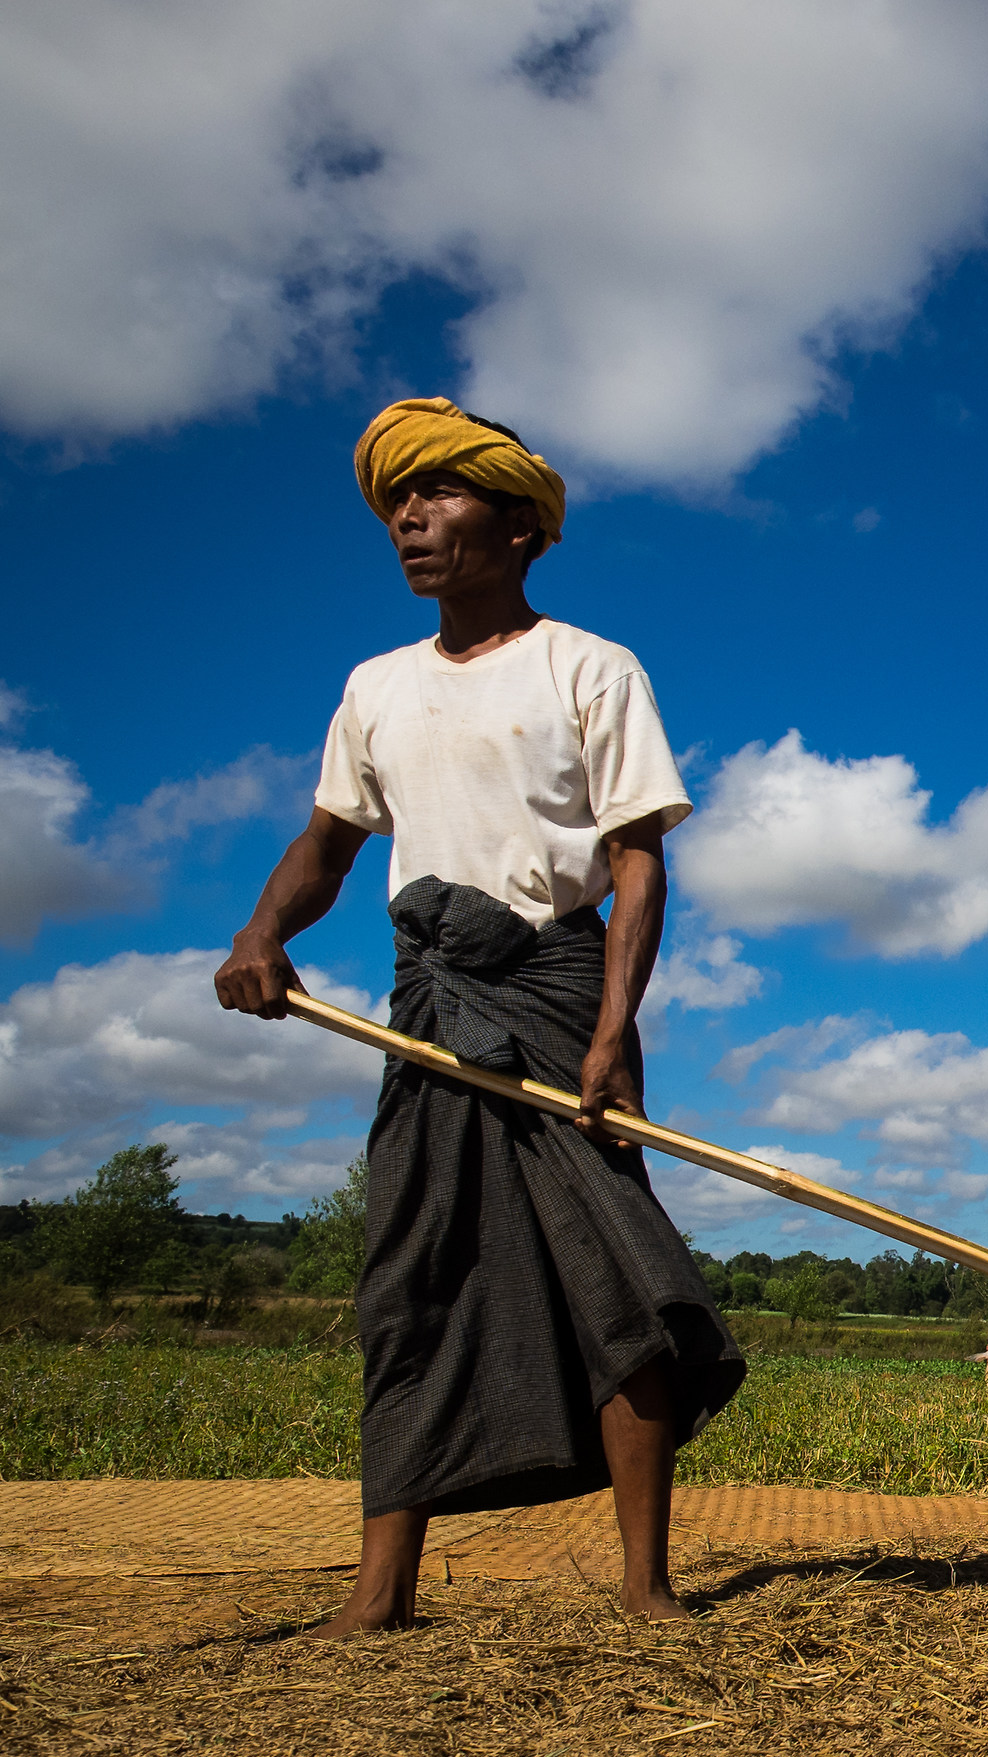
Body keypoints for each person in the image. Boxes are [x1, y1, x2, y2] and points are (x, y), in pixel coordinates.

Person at [215, 398, 746, 1632]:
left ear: (520, 529)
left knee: (623, 1277)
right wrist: (259, 935)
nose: (410, 515)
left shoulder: (590, 667)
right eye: (402, 499)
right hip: (430, 1009)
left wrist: (615, 1033)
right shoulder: (374, 688)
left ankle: (645, 1584)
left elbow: (635, 866)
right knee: (413, 1278)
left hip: (558, 995)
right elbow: (326, 844)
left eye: (442, 494)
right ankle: (379, 1592)